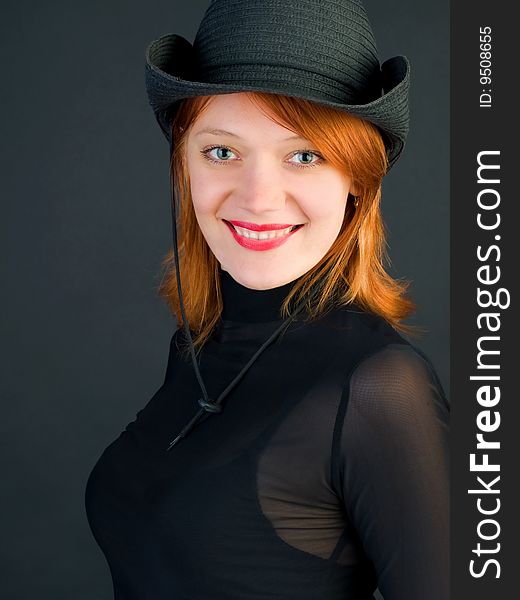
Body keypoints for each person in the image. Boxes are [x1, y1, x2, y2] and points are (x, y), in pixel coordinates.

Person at [85, 1, 449, 599]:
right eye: (221, 151)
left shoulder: (379, 388)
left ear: (357, 179)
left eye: (304, 156)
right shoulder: (200, 342)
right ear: (184, 165)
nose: (257, 199)